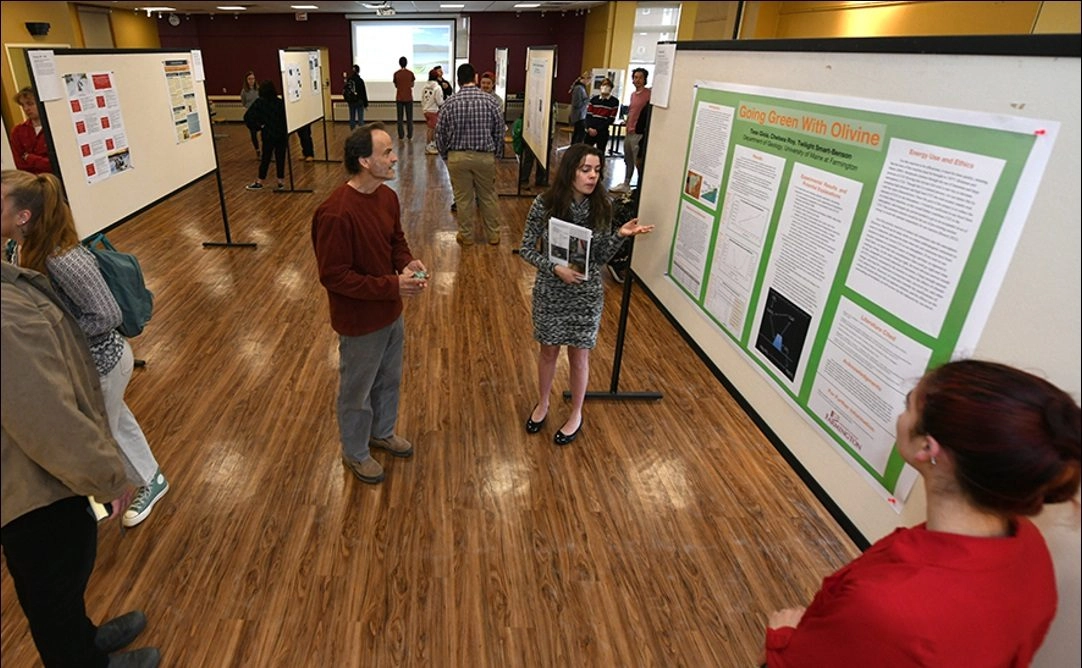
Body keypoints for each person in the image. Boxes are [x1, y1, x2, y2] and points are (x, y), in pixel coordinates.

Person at [761, 359, 1082, 667]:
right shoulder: (1028, 545)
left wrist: (784, 635)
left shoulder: (890, 608)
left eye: (908, 405)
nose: (901, 416)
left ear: (927, 449)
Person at [2, 260, 161, 668]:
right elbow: (45, 416)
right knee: (53, 582)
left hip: (35, 470)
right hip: (28, 485)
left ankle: (84, 640)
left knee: (58, 583)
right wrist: (108, 477)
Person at [2, 169, 171, 530]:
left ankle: (95, 504)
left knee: (97, 438)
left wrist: (57, 336)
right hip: (82, 366)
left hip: (103, 364)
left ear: (23, 216)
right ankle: (151, 478)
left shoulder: (63, 259)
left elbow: (107, 314)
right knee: (116, 424)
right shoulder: (17, 248)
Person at [310, 123, 428, 485]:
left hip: (390, 312)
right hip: (360, 321)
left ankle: (382, 432)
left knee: (389, 379)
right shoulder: (335, 213)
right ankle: (356, 451)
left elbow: (396, 240)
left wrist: (406, 262)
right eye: (386, 152)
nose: (395, 158)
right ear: (364, 161)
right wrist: (393, 285)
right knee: (357, 391)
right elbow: (335, 277)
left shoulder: (387, 197)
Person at [518, 144, 654, 445]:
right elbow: (526, 248)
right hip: (552, 290)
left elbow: (601, 255)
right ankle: (543, 403)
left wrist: (620, 236)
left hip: (586, 292)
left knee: (580, 356)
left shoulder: (603, 207)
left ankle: (576, 413)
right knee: (549, 350)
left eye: (596, 170)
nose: (592, 176)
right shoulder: (545, 203)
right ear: (570, 172)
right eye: (585, 170)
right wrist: (555, 268)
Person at [435, 63, 506, 246]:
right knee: (488, 196)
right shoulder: (491, 102)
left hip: (457, 158)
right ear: (475, 78)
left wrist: (445, 156)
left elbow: (439, 134)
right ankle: (493, 235)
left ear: (457, 81)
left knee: (463, 199)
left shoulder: (449, 103)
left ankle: (466, 236)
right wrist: (497, 154)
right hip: (484, 157)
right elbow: (499, 131)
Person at [611, 68, 651, 193]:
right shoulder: (633, 95)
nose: (637, 80)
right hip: (629, 131)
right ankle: (626, 183)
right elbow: (632, 111)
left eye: (640, 77)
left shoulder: (648, 94)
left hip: (638, 134)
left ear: (645, 79)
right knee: (628, 160)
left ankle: (640, 188)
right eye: (635, 77)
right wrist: (627, 122)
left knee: (637, 161)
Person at [244, 80, 288, 191]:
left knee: (266, 158)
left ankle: (260, 181)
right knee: (280, 157)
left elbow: (248, 117)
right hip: (281, 134)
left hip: (268, 134)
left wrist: (259, 126)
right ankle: (280, 181)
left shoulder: (260, 102)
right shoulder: (280, 102)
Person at [10, 87, 53, 175]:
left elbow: (54, 164)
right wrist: (41, 161)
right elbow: (20, 165)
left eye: (30, 104)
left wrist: (29, 158)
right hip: (31, 181)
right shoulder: (17, 131)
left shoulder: (54, 127)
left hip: (55, 180)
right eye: (23, 105)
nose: (26, 108)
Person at [583, 77, 619, 155]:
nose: (605, 87)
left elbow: (611, 119)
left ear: (611, 88)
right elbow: (588, 115)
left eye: (607, 85)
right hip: (590, 131)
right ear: (600, 87)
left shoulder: (614, 101)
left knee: (600, 153)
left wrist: (597, 130)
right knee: (585, 152)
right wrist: (589, 128)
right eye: (603, 85)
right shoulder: (594, 99)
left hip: (602, 132)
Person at [421, 68, 445, 156]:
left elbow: (422, 99)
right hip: (433, 111)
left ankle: (430, 145)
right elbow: (439, 101)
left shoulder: (424, 86)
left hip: (426, 110)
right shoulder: (437, 88)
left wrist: (424, 107)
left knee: (429, 128)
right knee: (432, 129)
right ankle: (429, 146)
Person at [392, 56, 416, 141]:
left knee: (400, 118)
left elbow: (396, 85)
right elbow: (412, 84)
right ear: (406, 63)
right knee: (409, 118)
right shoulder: (410, 73)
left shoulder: (396, 74)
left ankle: (401, 135)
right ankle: (410, 135)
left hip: (399, 98)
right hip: (408, 98)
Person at [240, 71, 261, 159]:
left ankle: (267, 150)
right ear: (246, 80)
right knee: (253, 133)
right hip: (251, 115)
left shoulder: (258, 89)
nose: (251, 80)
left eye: (252, 78)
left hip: (259, 114)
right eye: (249, 79)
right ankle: (257, 150)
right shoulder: (244, 91)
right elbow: (244, 102)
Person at [343, 64, 369, 131]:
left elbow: (345, 90)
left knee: (352, 118)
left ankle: (352, 132)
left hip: (351, 101)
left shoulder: (349, 80)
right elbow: (363, 93)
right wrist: (366, 104)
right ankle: (361, 133)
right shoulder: (360, 80)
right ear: (358, 71)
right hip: (359, 101)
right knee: (360, 119)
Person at [568, 72, 589, 145]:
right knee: (579, 136)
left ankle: (574, 150)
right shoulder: (579, 88)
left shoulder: (580, 88)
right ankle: (575, 150)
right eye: (589, 80)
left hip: (580, 116)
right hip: (579, 116)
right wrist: (587, 100)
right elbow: (577, 104)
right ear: (586, 79)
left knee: (577, 135)